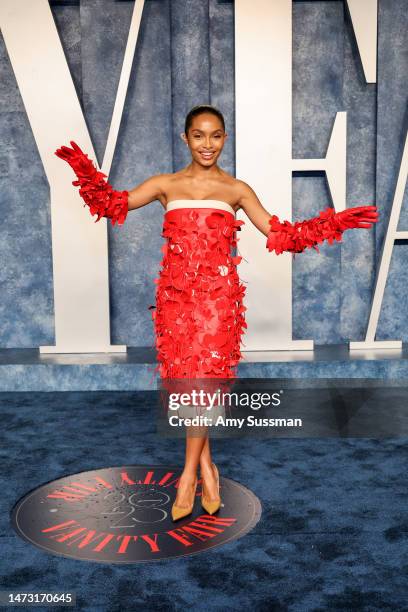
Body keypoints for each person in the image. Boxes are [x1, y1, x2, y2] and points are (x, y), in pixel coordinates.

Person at [55, 104, 378, 521]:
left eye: (216, 135)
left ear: (225, 138)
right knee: (186, 389)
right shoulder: (165, 184)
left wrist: (337, 222)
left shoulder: (236, 190)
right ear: (186, 138)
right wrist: (83, 168)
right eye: (199, 135)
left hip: (217, 306)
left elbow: (283, 235)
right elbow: (112, 204)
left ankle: (187, 476)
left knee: (202, 389)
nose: (207, 144)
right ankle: (209, 466)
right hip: (175, 304)